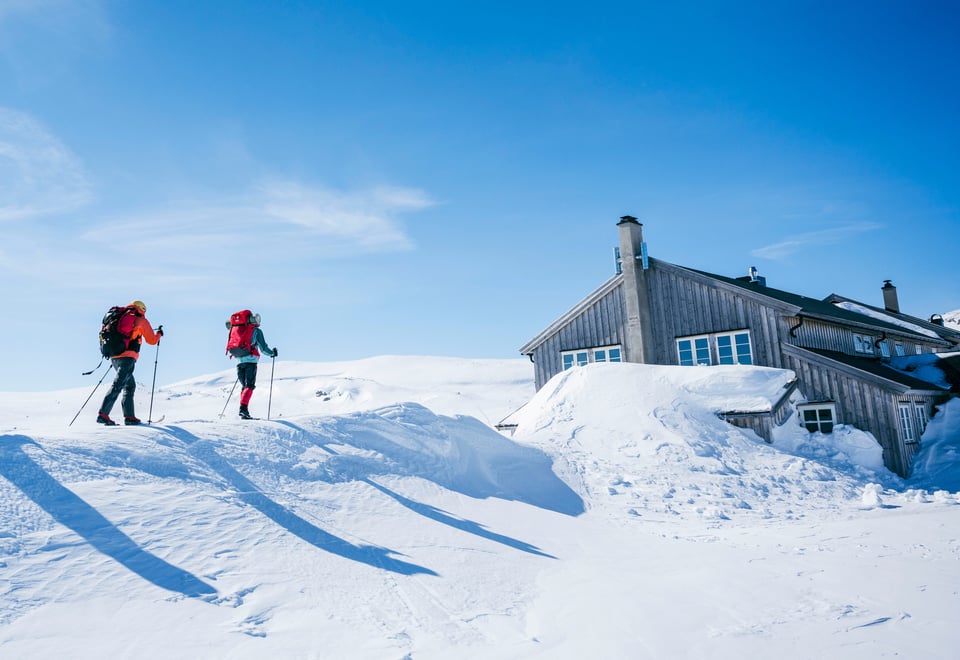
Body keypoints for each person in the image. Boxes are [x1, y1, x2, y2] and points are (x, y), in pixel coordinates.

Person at [97, 300, 163, 426]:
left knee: (129, 385)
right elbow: (152, 340)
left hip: (114, 357)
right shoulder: (140, 320)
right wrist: (159, 334)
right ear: (142, 309)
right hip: (127, 357)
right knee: (118, 385)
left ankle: (129, 416)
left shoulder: (120, 316)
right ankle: (103, 414)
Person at [234, 313, 277, 419]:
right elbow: (263, 348)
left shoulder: (238, 330)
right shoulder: (256, 331)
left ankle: (244, 412)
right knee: (249, 386)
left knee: (245, 387)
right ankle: (243, 410)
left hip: (239, 362)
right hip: (251, 362)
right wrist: (272, 353)